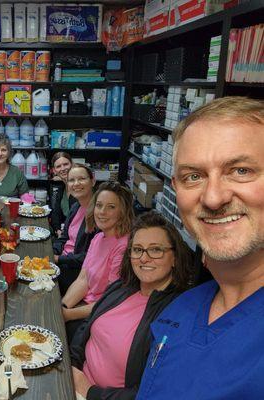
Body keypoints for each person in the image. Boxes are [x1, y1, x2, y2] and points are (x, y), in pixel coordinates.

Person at [137, 97, 264, 399]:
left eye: (241, 170)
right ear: (176, 188)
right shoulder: (182, 309)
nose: (213, 198)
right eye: (194, 176)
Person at [70, 211, 194, 400]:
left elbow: (157, 391)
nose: (144, 258)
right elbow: (87, 327)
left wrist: (89, 392)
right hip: (73, 380)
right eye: (137, 249)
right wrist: (71, 365)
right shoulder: (122, 286)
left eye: (155, 249)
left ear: (175, 258)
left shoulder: (178, 315)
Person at [61, 181, 134, 341]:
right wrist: (63, 307)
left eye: (111, 207)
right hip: (84, 306)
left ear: (123, 212)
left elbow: (110, 301)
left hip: (101, 315)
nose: (102, 212)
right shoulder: (98, 238)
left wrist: (68, 315)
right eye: (99, 205)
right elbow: (83, 279)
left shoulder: (123, 247)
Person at [53, 164, 97, 294]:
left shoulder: (99, 213)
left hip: (78, 272)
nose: (76, 184)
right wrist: (53, 252)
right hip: (64, 262)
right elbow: (64, 238)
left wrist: (58, 259)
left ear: (93, 181)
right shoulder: (76, 207)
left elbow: (90, 257)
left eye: (81, 179)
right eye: (71, 180)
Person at [49, 152, 77, 234]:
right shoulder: (61, 187)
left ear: (72, 164)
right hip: (64, 232)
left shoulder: (78, 187)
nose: (63, 168)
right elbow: (55, 212)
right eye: (58, 166)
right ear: (54, 170)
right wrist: (57, 230)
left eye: (65, 164)